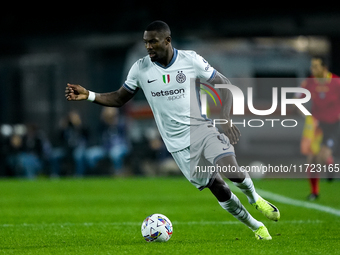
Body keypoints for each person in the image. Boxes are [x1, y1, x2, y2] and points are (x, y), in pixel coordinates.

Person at [65, 20, 280, 240]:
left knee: (231, 170)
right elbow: (120, 98)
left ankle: (255, 199)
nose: (148, 46)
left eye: (152, 42)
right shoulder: (140, 68)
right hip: (177, 145)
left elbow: (224, 84)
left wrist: (225, 118)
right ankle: (256, 227)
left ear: (167, 41)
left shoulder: (191, 60)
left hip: (203, 130)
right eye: (145, 42)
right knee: (218, 188)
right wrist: (89, 95)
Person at [298, 56, 340, 200]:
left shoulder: (336, 82)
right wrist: (305, 113)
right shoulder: (310, 82)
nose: (312, 69)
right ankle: (314, 192)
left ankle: (329, 163)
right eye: (312, 66)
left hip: (334, 125)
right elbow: (298, 99)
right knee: (311, 159)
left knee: (322, 156)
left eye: (316, 66)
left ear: (324, 68)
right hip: (318, 124)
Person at [86, 107, 130, 176]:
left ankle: (118, 173)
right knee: (90, 154)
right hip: (105, 148)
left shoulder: (121, 122)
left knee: (115, 153)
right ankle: (94, 174)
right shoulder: (103, 124)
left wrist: (113, 120)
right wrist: (104, 119)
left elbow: (124, 134)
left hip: (120, 147)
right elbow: (97, 131)